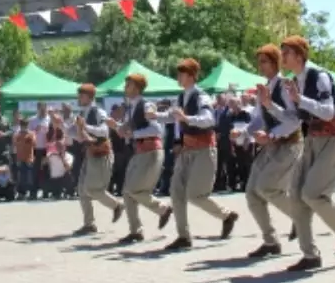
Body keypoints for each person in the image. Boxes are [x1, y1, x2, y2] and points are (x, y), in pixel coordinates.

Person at [280, 35, 335, 272]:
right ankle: (310, 255)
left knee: (312, 194)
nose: (282, 57)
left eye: (286, 53)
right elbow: (295, 117)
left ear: (299, 55)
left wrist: (300, 99)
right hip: (313, 139)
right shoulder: (296, 79)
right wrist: (269, 106)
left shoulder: (319, 76)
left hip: (333, 139)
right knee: (296, 195)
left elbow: (328, 112)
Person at [163, 59, 239, 251]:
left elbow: (208, 119)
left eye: (181, 74)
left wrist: (186, 118)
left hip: (204, 150)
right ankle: (183, 236)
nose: (178, 77)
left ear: (191, 76)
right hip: (188, 151)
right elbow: (173, 117)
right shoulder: (181, 98)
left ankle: (227, 215)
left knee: (196, 195)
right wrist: (156, 116)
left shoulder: (201, 97)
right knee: (176, 191)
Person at [242, 44, 302, 260]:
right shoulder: (264, 87)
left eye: (265, 61)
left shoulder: (286, 86)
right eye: (260, 61)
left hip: (288, 144)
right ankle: (270, 241)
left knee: (267, 188)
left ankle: (299, 218)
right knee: (251, 193)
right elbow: (259, 118)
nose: (261, 65)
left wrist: (272, 134)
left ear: (276, 62)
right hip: (271, 145)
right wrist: (243, 133)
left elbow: (294, 120)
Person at [110, 73, 173, 243]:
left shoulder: (146, 105)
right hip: (139, 151)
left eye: (128, 85)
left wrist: (132, 133)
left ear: (137, 87)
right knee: (127, 192)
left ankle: (163, 209)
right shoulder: (131, 108)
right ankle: (135, 231)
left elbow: (157, 130)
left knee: (134, 190)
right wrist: (117, 127)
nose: (125, 88)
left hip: (150, 150)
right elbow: (128, 132)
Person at [69, 83, 124, 235]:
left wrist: (85, 127)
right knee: (81, 189)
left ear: (90, 97)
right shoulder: (82, 113)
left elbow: (104, 132)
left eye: (82, 95)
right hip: (90, 154)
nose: (79, 98)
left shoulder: (98, 112)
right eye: (79, 95)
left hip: (102, 155)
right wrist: (64, 125)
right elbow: (77, 134)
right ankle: (89, 224)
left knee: (92, 189)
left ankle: (116, 206)